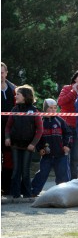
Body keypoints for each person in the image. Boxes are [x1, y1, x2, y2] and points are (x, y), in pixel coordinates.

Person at [4, 85, 43, 198]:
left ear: (25, 96)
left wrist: (33, 144)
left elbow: (40, 129)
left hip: (28, 145)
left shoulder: (34, 110)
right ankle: (15, 193)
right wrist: (7, 138)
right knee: (16, 169)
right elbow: (8, 127)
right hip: (15, 144)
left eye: (18, 94)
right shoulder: (14, 109)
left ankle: (27, 193)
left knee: (25, 170)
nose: (15, 96)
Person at [31, 99, 73, 197]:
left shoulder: (60, 121)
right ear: (45, 109)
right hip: (47, 155)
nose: (53, 110)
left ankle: (64, 193)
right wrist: (39, 149)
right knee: (42, 173)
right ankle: (33, 191)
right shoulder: (40, 121)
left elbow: (69, 134)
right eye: (50, 108)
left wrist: (67, 145)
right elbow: (37, 136)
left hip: (61, 154)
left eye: (55, 108)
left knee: (63, 175)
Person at [58, 69, 78, 179]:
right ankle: (62, 180)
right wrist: (73, 92)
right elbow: (60, 102)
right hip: (66, 126)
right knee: (64, 155)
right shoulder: (67, 88)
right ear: (75, 78)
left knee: (75, 157)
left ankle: (73, 181)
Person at [1, 62, 16, 195]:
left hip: (9, 131)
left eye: (2, 72)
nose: (0, 75)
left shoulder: (14, 89)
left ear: (6, 73)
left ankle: (6, 188)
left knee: (9, 160)